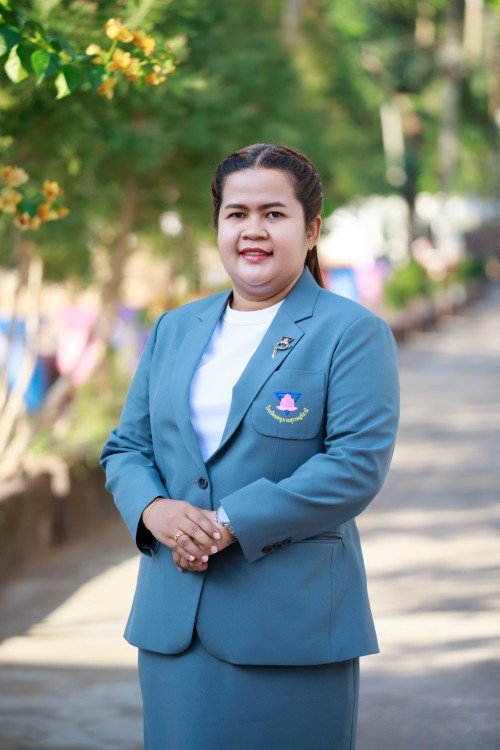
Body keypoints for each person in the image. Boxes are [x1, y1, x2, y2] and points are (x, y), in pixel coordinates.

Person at [99, 143, 400, 750]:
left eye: (274, 213)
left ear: (311, 230)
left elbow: (353, 467)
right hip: (175, 624)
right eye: (236, 214)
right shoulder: (175, 328)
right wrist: (155, 511)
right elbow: (126, 446)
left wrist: (227, 524)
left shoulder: (351, 332)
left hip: (290, 625)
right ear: (217, 225)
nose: (253, 230)